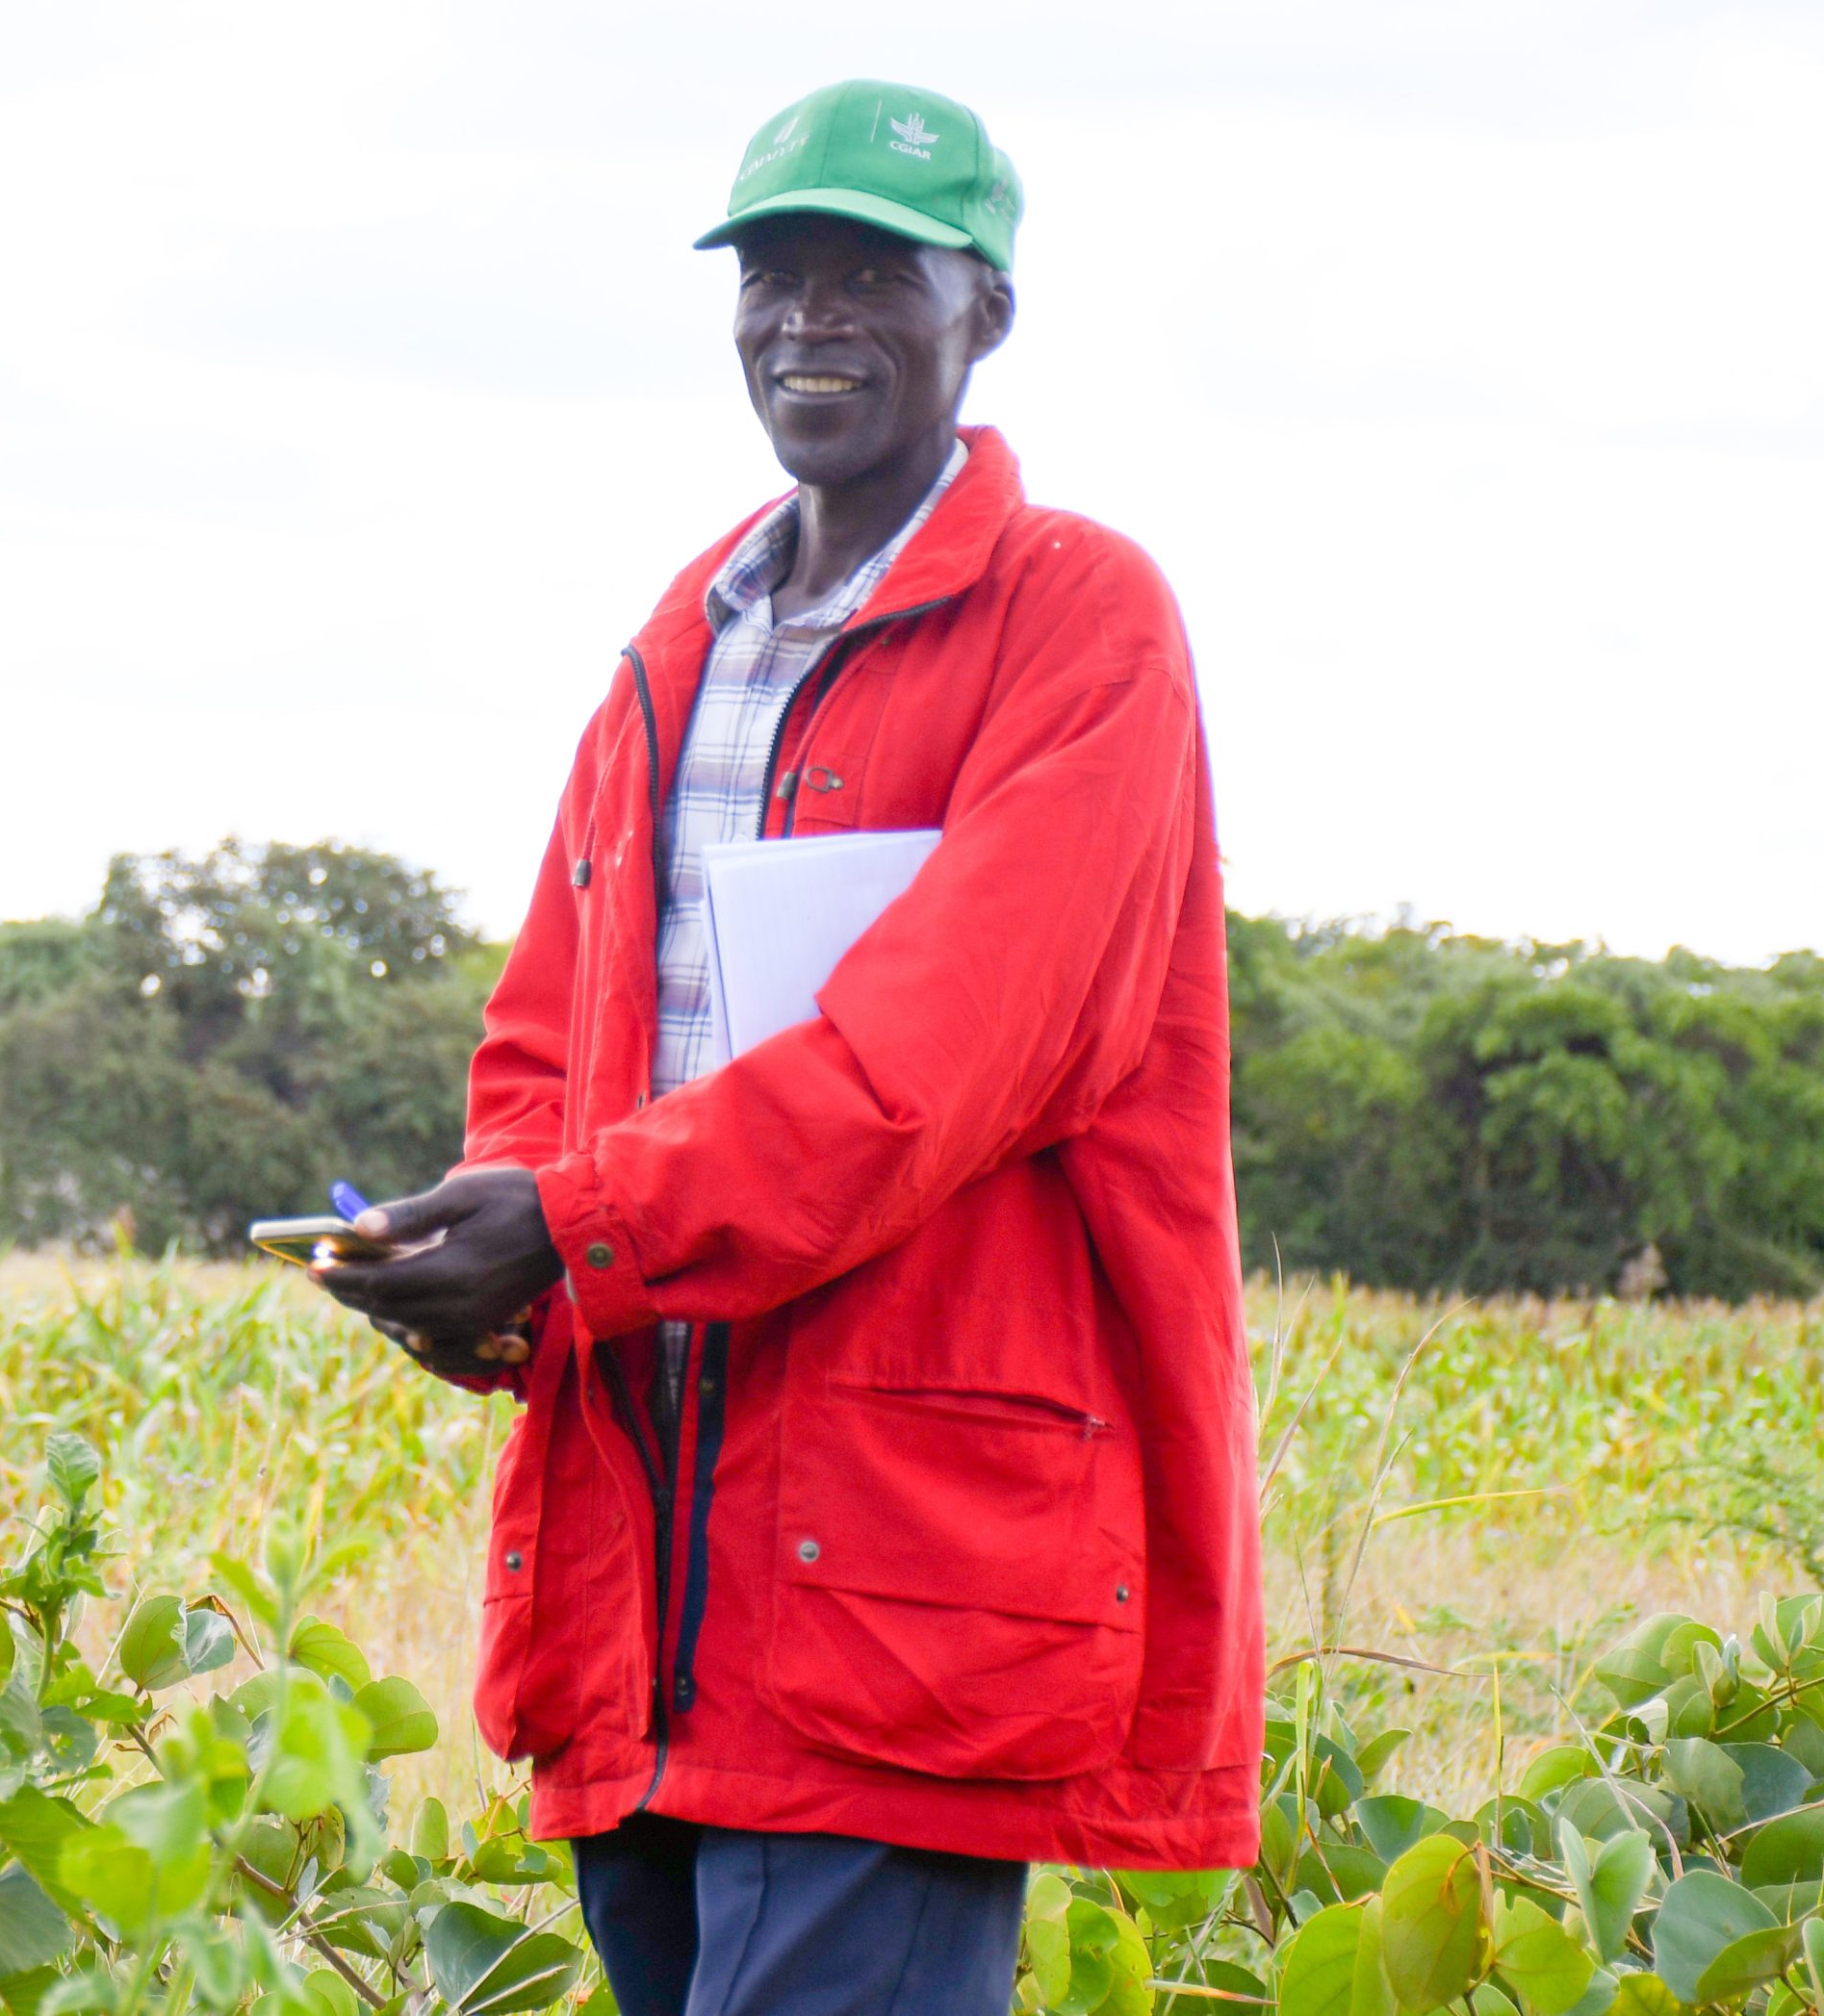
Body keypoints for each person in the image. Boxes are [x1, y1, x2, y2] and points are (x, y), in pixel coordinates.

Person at [312, 76, 1263, 2016]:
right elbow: (544, 1038)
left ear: (979, 306)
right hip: (640, 1565)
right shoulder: (681, 641)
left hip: (904, 1566)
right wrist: (482, 1264)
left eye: (865, 275)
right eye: (770, 275)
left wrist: (568, 1228)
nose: (805, 318)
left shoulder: (1076, 619)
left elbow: (936, 1063)